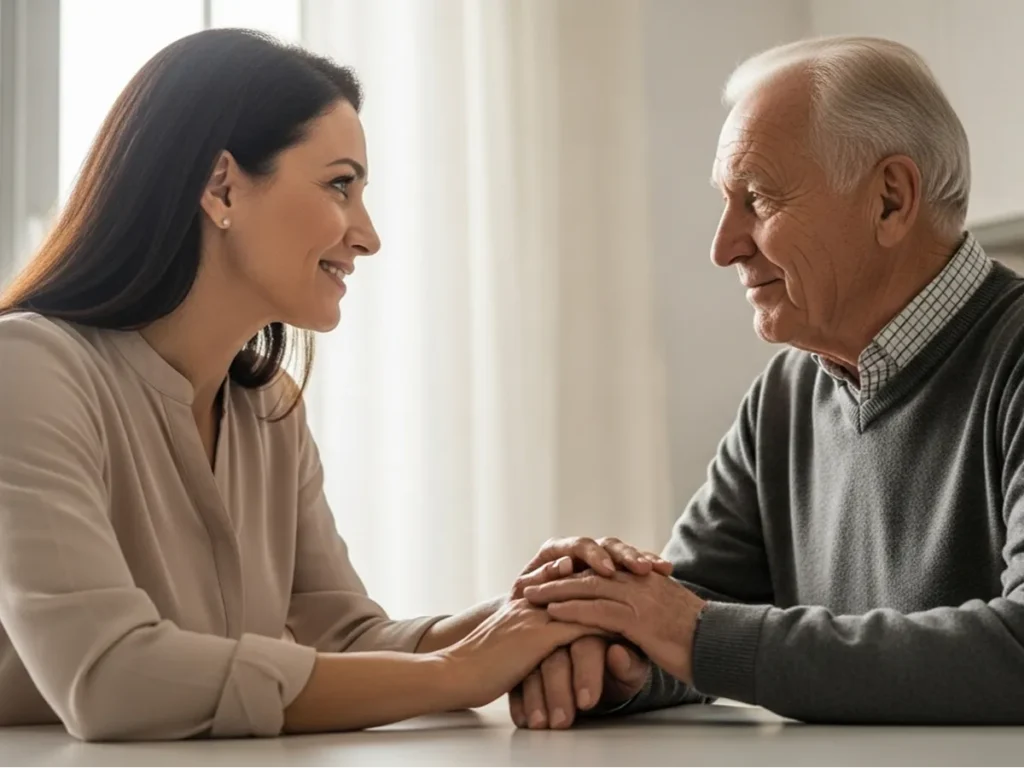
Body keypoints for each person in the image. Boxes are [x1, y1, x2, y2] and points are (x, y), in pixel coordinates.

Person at [0, 29, 672, 741]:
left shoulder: (268, 410)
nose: (368, 235)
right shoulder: (29, 369)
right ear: (220, 184)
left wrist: (550, 609)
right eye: (339, 185)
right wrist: (460, 672)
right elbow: (110, 680)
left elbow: (348, 639)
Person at [513, 35, 1024, 727]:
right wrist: (608, 643)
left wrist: (688, 634)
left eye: (756, 199)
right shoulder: (784, 396)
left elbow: (1017, 651)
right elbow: (697, 604)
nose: (724, 246)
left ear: (890, 201)